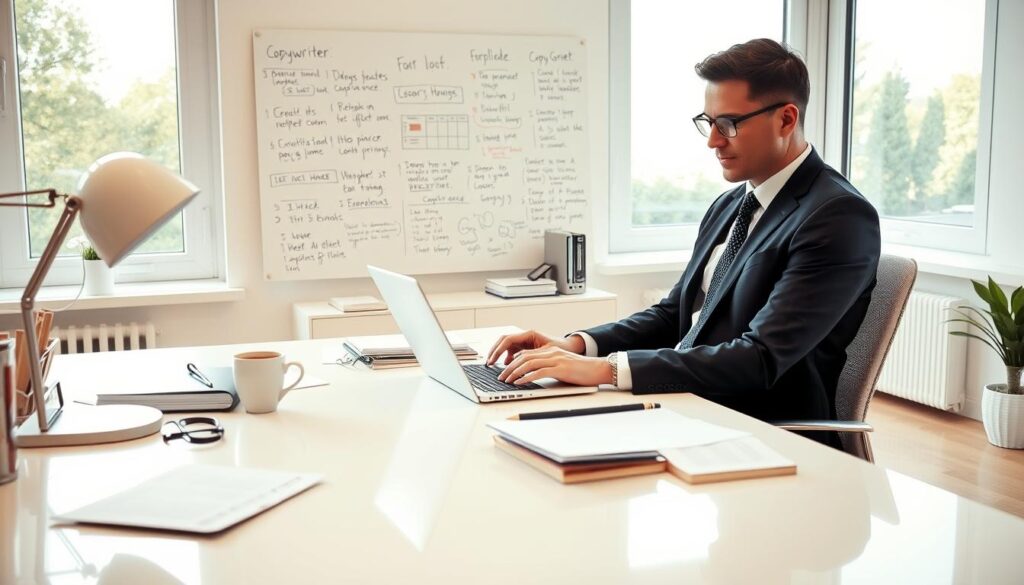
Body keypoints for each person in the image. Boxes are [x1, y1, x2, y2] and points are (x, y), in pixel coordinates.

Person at [486, 38, 881, 445]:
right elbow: (673, 314)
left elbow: (760, 358)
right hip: (688, 405)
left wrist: (607, 370)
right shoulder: (731, 204)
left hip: (757, 430)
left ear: (785, 119)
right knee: (524, 430)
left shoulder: (837, 217)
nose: (713, 141)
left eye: (728, 124)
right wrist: (575, 346)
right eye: (708, 123)